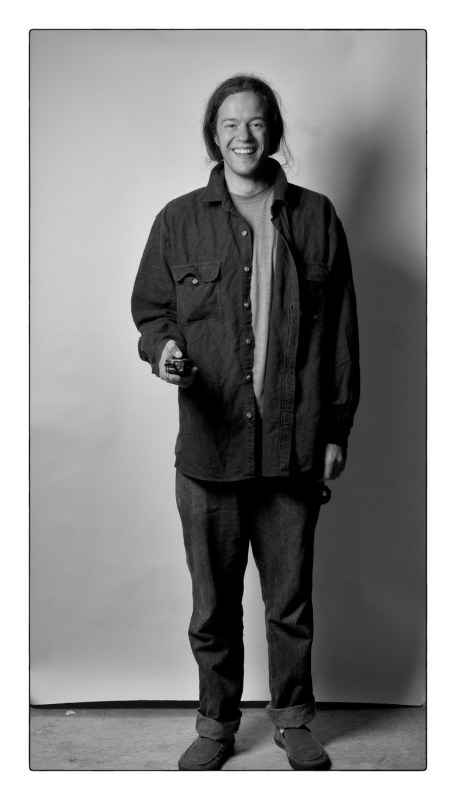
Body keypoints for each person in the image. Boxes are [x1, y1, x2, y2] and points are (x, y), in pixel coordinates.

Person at [131, 74, 360, 771]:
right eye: (230, 123)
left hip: (292, 446)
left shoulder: (316, 217)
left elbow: (341, 334)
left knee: (290, 604)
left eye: (256, 122)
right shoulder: (178, 220)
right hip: (211, 449)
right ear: (214, 133)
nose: (244, 136)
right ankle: (217, 723)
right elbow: (152, 314)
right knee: (212, 606)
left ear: (274, 132)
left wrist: (336, 429)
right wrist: (164, 351)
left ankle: (292, 720)